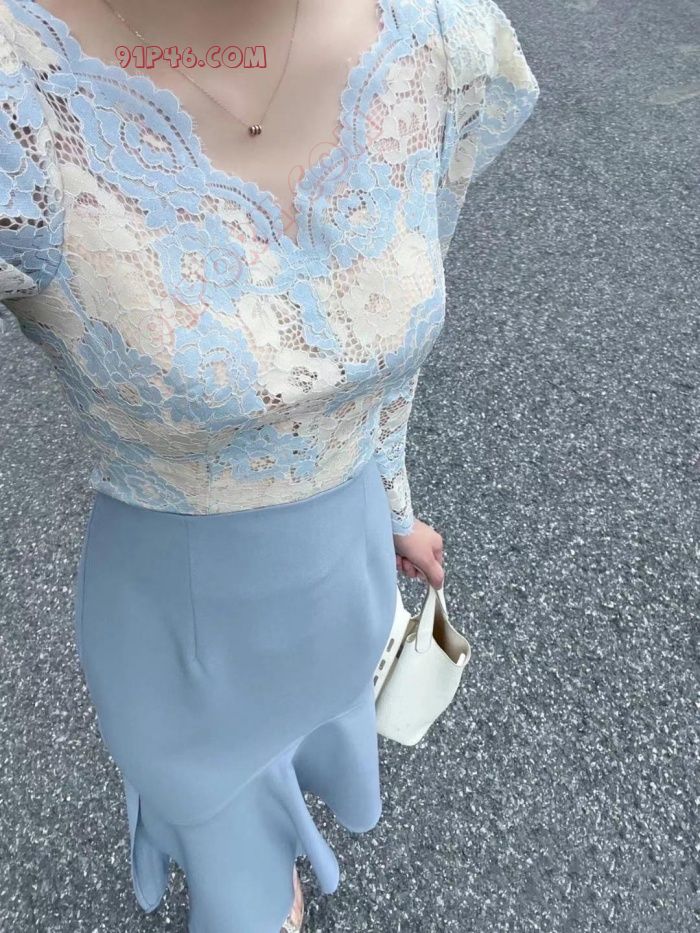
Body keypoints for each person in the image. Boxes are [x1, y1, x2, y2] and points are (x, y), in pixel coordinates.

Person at [0, 0, 539, 929]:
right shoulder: (21, 93)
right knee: (230, 863)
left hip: (347, 573)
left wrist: (396, 504)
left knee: (303, 759)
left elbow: (381, 349)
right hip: (181, 635)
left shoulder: (437, 36)